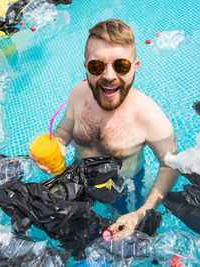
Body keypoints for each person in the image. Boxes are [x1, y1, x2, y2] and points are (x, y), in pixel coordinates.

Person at [29, 18, 178, 235]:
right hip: (77, 175)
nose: (109, 76)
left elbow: (170, 166)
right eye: (97, 66)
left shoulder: (150, 117)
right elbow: (64, 131)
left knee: (119, 240)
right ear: (86, 68)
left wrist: (143, 211)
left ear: (135, 67)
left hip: (123, 189)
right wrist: (57, 144)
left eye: (121, 65)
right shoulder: (78, 95)